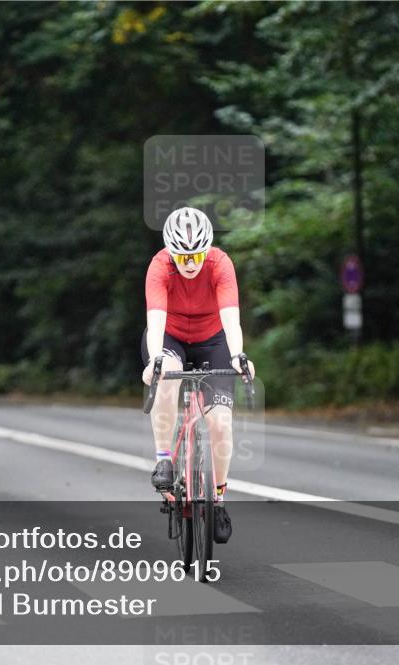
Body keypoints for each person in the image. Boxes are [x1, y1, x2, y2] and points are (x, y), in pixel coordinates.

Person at [141, 207, 255, 544]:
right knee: (167, 371)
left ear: (207, 251)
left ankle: (217, 499)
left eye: (196, 255)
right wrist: (155, 359)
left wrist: (238, 356)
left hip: (213, 339)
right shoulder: (159, 266)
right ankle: (164, 459)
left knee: (220, 423)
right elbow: (156, 320)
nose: (190, 263)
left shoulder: (220, 264)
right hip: (171, 337)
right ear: (170, 252)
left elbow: (231, 318)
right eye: (182, 256)